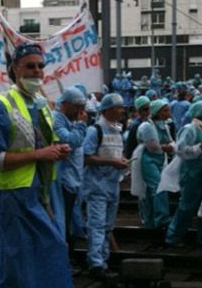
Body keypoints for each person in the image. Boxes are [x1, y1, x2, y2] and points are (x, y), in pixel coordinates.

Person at [0, 43, 72, 288]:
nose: (37, 71)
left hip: (40, 193)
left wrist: (57, 150)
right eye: (30, 66)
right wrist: (40, 154)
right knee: (16, 263)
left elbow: (43, 144)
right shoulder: (0, 106)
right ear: (15, 69)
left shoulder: (41, 105)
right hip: (13, 196)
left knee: (47, 252)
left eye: (41, 66)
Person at [82, 93, 129, 280]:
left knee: (108, 226)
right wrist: (112, 162)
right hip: (97, 186)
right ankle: (95, 264)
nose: (122, 111)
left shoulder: (116, 131)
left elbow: (116, 153)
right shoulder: (95, 131)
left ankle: (104, 261)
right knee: (97, 225)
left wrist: (121, 161)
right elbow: (86, 157)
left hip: (112, 185)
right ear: (107, 110)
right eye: (118, 107)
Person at [165, 100, 202, 248]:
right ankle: (173, 237)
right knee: (187, 207)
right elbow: (180, 150)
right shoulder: (190, 129)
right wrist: (199, 147)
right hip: (191, 173)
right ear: (200, 113)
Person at [53, 86, 88, 261]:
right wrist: (81, 125)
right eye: (77, 107)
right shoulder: (56, 120)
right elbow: (70, 142)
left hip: (72, 181)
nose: (80, 112)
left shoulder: (69, 121)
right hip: (62, 181)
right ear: (65, 104)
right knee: (63, 222)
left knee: (70, 222)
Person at [132, 99, 173, 229]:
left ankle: (150, 220)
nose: (168, 113)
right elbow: (152, 147)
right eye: (165, 111)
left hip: (159, 159)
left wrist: (170, 146)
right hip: (147, 160)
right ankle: (162, 218)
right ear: (157, 112)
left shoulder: (165, 125)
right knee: (158, 186)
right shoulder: (147, 127)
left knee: (151, 190)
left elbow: (170, 141)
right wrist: (166, 147)